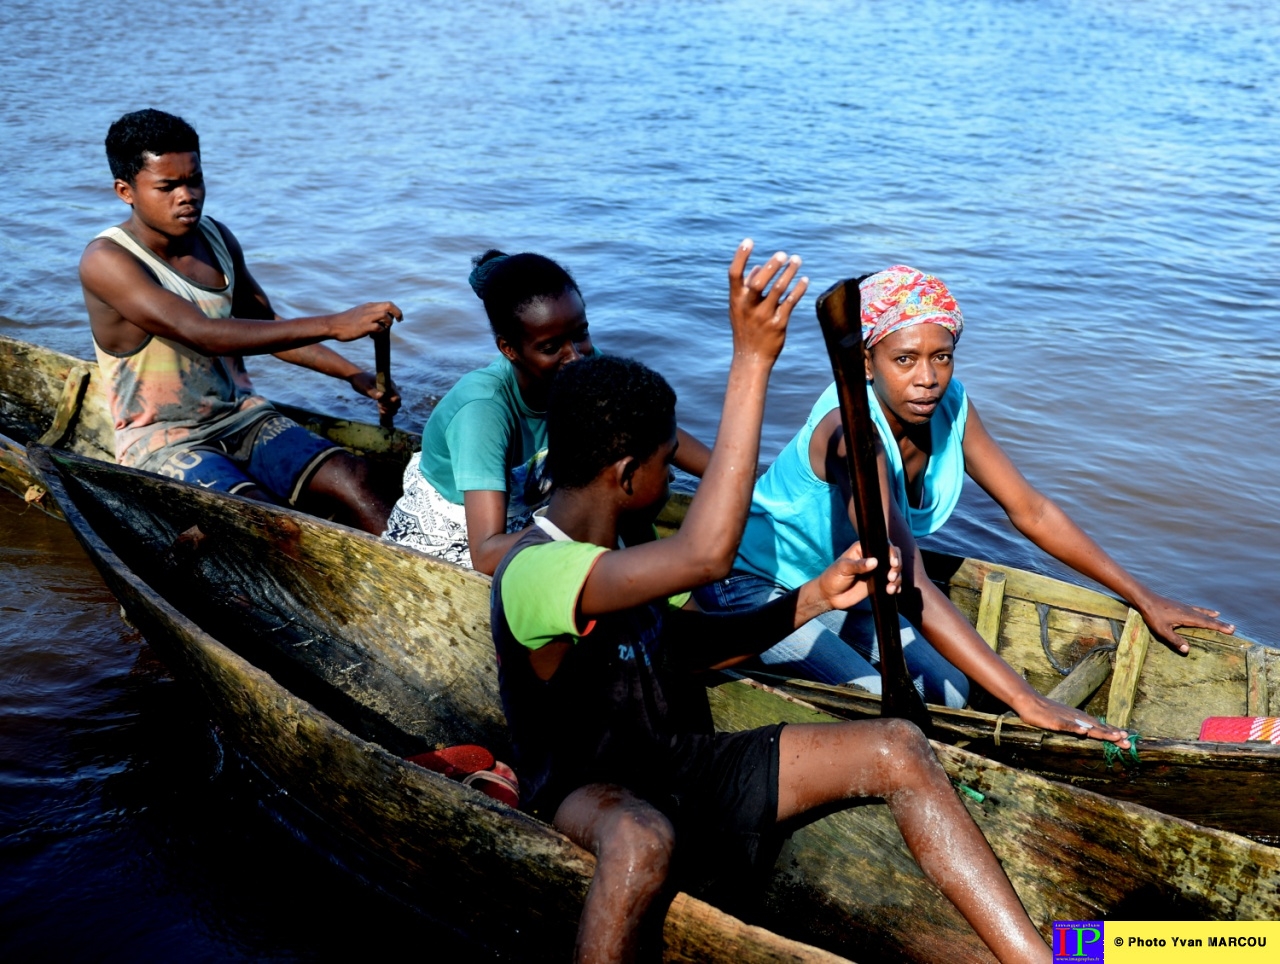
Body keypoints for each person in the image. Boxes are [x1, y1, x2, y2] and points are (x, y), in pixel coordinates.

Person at [489, 241, 1057, 964]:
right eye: (669, 464)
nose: (675, 480)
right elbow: (706, 557)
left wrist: (813, 598)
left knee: (898, 745)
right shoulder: (537, 571)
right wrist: (752, 360)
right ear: (628, 474)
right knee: (641, 841)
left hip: (677, 763)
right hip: (587, 790)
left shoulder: (622, 548)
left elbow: (685, 651)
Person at [697, 263, 1228, 738]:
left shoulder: (950, 405)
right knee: (874, 711)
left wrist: (1141, 594)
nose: (926, 379)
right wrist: (1028, 699)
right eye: (904, 359)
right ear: (866, 361)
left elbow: (1032, 510)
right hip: (754, 589)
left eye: (941, 357)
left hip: (844, 590)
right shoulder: (847, 434)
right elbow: (913, 583)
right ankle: (723, 662)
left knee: (949, 694)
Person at [80, 108, 401, 534]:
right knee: (267, 522)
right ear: (126, 191)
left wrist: (354, 374)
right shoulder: (107, 261)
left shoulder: (217, 238)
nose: (187, 195)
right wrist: (334, 324)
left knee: (359, 480)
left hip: (244, 416)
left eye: (194, 180)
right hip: (165, 439)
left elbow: (265, 325)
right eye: (168, 186)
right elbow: (204, 334)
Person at [383, 249, 711, 573]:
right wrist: (579, 522)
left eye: (580, 334)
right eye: (550, 348)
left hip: (534, 514)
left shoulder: (580, 362)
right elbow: (485, 554)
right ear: (509, 349)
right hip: (456, 535)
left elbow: (653, 428)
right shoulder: (484, 410)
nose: (575, 356)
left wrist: (733, 477)